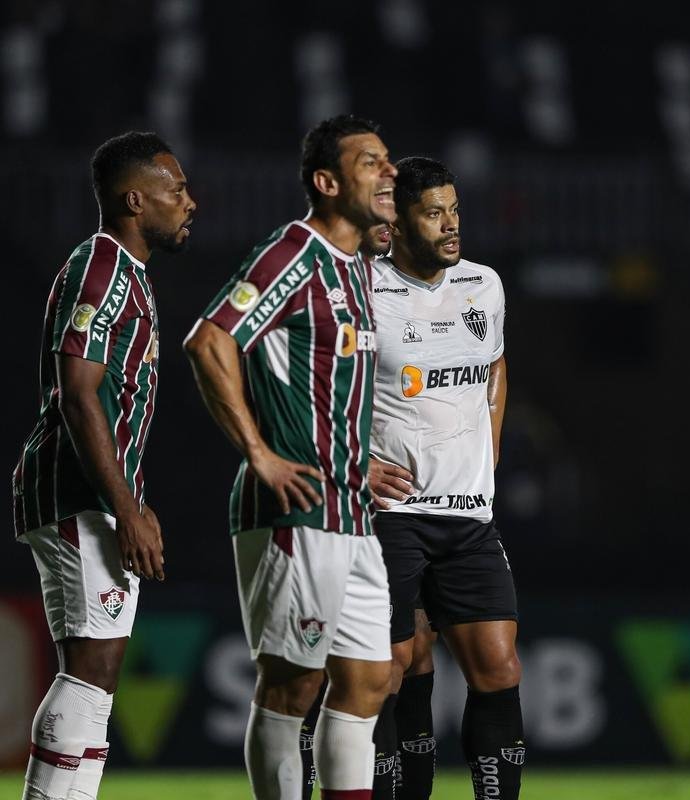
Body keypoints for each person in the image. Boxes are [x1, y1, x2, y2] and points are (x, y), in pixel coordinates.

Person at [183, 114, 397, 800]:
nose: (389, 172)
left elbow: (319, 386)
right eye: (371, 163)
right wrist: (260, 454)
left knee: (368, 681)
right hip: (295, 507)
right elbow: (210, 340)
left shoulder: (358, 266)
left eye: (388, 161)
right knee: (293, 683)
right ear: (328, 183)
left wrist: (356, 463)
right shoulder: (294, 253)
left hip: (351, 508)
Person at [12, 131, 196, 800]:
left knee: (97, 669)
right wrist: (126, 508)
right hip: (75, 493)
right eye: (175, 190)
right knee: (92, 670)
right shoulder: (101, 269)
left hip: (85, 494)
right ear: (133, 198)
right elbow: (76, 391)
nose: (189, 202)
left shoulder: (127, 275)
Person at [368, 157, 525, 799]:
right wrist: (358, 462)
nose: (451, 225)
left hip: (468, 517)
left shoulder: (482, 285)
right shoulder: (362, 289)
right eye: (434, 213)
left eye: (454, 209)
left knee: (499, 666)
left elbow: (493, 368)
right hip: (390, 517)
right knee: (389, 670)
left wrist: (488, 454)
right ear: (397, 221)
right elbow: (321, 394)